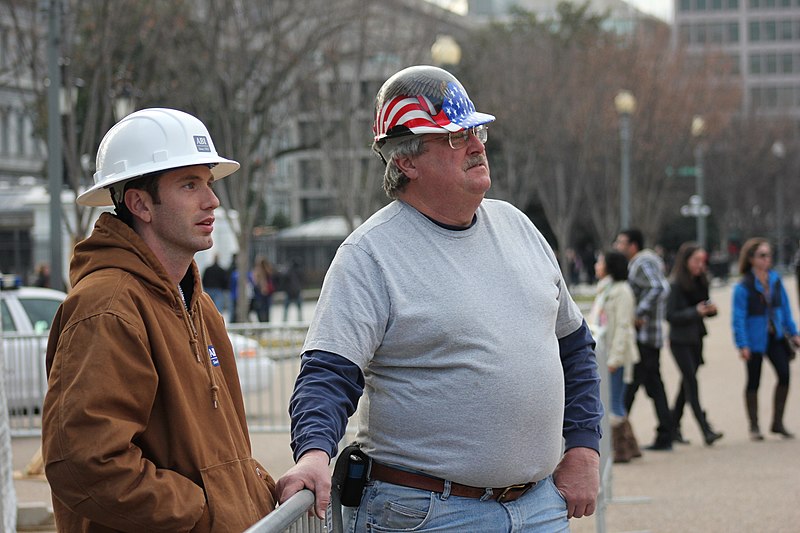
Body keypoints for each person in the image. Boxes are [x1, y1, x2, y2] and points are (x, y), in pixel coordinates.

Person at [276, 65, 603, 531]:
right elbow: (329, 372)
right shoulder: (369, 255)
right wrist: (312, 455)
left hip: (538, 506)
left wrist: (584, 446)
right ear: (405, 162)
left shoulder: (518, 226)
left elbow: (575, 348)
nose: (475, 146)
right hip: (427, 513)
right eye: (452, 137)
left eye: (476, 131)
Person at [41, 108, 276, 531]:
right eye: (190, 185)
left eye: (208, 182)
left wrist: (264, 492)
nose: (212, 200)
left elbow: (213, 454)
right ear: (139, 204)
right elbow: (86, 463)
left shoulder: (196, 303)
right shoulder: (107, 307)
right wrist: (201, 513)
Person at [732, 237, 800, 441]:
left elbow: (786, 309)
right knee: (754, 380)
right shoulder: (743, 286)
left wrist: (794, 332)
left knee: (784, 375)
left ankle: (777, 422)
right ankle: (754, 425)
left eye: (768, 255)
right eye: (762, 255)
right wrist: (742, 344)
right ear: (751, 258)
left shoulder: (775, 281)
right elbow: (738, 318)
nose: (767, 259)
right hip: (755, 339)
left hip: (775, 335)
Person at [613, 228, 673, 451]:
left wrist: (638, 312)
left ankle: (620, 437)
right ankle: (664, 433)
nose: (617, 246)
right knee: (649, 386)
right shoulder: (645, 261)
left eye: (621, 242)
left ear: (633, 246)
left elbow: (659, 287)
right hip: (650, 335)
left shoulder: (639, 263)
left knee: (631, 387)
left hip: (645, 336)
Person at [666, 242, 723, 446]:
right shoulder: (676, 284)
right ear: (686, 261)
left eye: (702, 261)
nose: (700, 265)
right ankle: (705, 429)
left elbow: (706, 307)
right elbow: (670, 315)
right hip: (679, 341)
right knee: (692, 383)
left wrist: (711, 310)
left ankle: (672, 425)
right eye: (696, 260)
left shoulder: (701, 281)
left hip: (696, 339)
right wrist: (695, 312)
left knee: (686, 384)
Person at [588, 250, 640, 463]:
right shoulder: (605, 289)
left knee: (614, 401)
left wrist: (615, 358)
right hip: (605, 351)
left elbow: (623, 326)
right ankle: (629, 445)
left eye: (600, 261)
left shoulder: (622, 291)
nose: (597, 265)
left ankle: (621, 449)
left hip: (616, 355)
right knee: (612, 400)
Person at [252, 256, 276, 322]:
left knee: (265, 310)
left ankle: (265, 322)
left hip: (265, 294)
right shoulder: (258, 270)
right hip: (260, 294)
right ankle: (263, 322)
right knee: (262, 310)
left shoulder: (266, 270)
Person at [281, 257, 304, 322]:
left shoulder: (288, 271)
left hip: (289, 292)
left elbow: (283, 280)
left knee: (286, 309)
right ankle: (300, 321)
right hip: (296, 292)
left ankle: (284, 322)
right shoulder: (298, 270)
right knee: (299, 309)